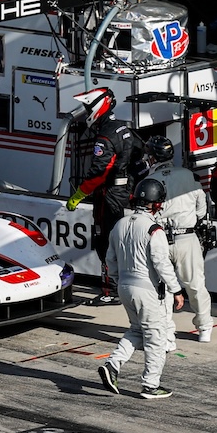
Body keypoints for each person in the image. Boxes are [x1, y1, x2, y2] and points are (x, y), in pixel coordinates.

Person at [97, 177, 184, 399]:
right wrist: (176, 289)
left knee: (136, 331)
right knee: (156, 337)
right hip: (147, 290)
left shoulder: (120, 224)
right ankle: (150, 385)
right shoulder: (154, 229)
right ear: (156, 204)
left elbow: (110, 260)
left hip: (124, 287)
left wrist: (118, 280)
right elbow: (161, 263)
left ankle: (112, 365)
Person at [65, 87, 144, 305]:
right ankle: (123, 288)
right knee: (123, 243)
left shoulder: (104, 135)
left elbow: (100, 172)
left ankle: (110, 292)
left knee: (105, 243)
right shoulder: (123, 128)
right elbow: (140, 154)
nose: (85, 110)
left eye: (87, 106)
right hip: (125, 192)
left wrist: (79, 194)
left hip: (108, 195)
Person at [145, 135, 214, 345]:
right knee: (195, 285)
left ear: (154, 156)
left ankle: (167, 333)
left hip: (160, 238)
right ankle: (205, 328)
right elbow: (202, 210)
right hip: (188, 237)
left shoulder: (149, 179)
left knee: (163, 287)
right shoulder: (189, 175)